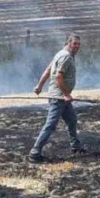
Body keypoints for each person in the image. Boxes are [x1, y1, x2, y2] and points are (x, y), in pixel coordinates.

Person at [29, 34, 87, 163]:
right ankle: (35, 152)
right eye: (75, 43)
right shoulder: (65, 57)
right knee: (50, 125)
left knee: (72, 120)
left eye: (78, 44)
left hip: (62, 98)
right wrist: (66, 94)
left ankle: (75, 146)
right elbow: (58, 77)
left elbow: (49, 69)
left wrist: (39, 85)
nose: (77, 46)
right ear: (68, 43)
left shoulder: (61, 54)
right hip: (58, 98)